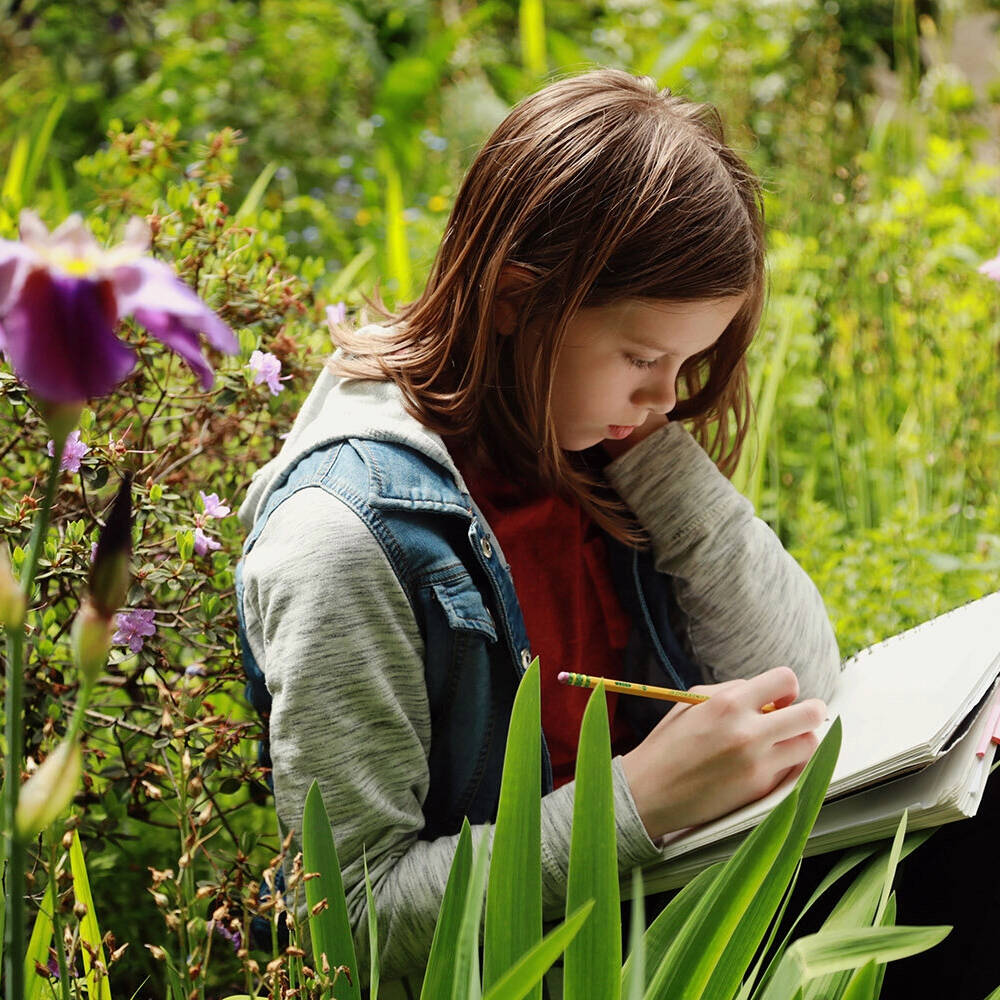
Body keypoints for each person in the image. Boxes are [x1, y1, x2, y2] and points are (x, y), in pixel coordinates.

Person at [235, 68, 840, 992]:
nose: (666, 398)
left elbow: (809, 678)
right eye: (643, 357)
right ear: (516, 301)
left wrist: (654, 454)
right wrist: (634, 805)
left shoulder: (596, 448)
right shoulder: (348, 541)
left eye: (691, 363)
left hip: (654, 919)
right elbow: (350, 926)